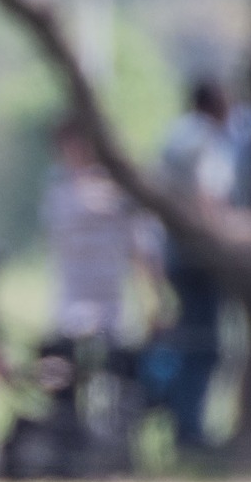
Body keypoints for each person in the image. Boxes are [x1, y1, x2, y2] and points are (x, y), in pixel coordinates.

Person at [156, 79, 236, 452]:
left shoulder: (176, 135)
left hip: (176, 252)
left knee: (194, 341)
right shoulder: (205, 139)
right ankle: (190, 429)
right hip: (197, 255)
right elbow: (208, 196)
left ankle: (187, 423)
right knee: (204, 346)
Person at [42, 122, 162, 347]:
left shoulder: (118, 187)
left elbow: (140, 244)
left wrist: (155, 296)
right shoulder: (57, 185)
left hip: (112, 295)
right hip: (70, 294)